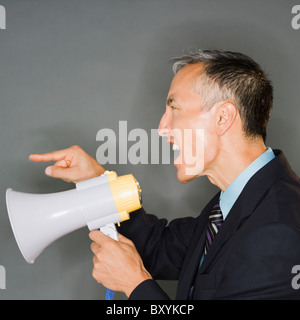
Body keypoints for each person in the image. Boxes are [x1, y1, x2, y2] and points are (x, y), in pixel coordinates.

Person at [29, 50, 300, 300]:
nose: (162, 128)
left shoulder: (279, 230)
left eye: (175, 108)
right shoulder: (230, 206)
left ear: (222, 118)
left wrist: (136, 285)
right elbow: (159, 248)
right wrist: (97, 182)